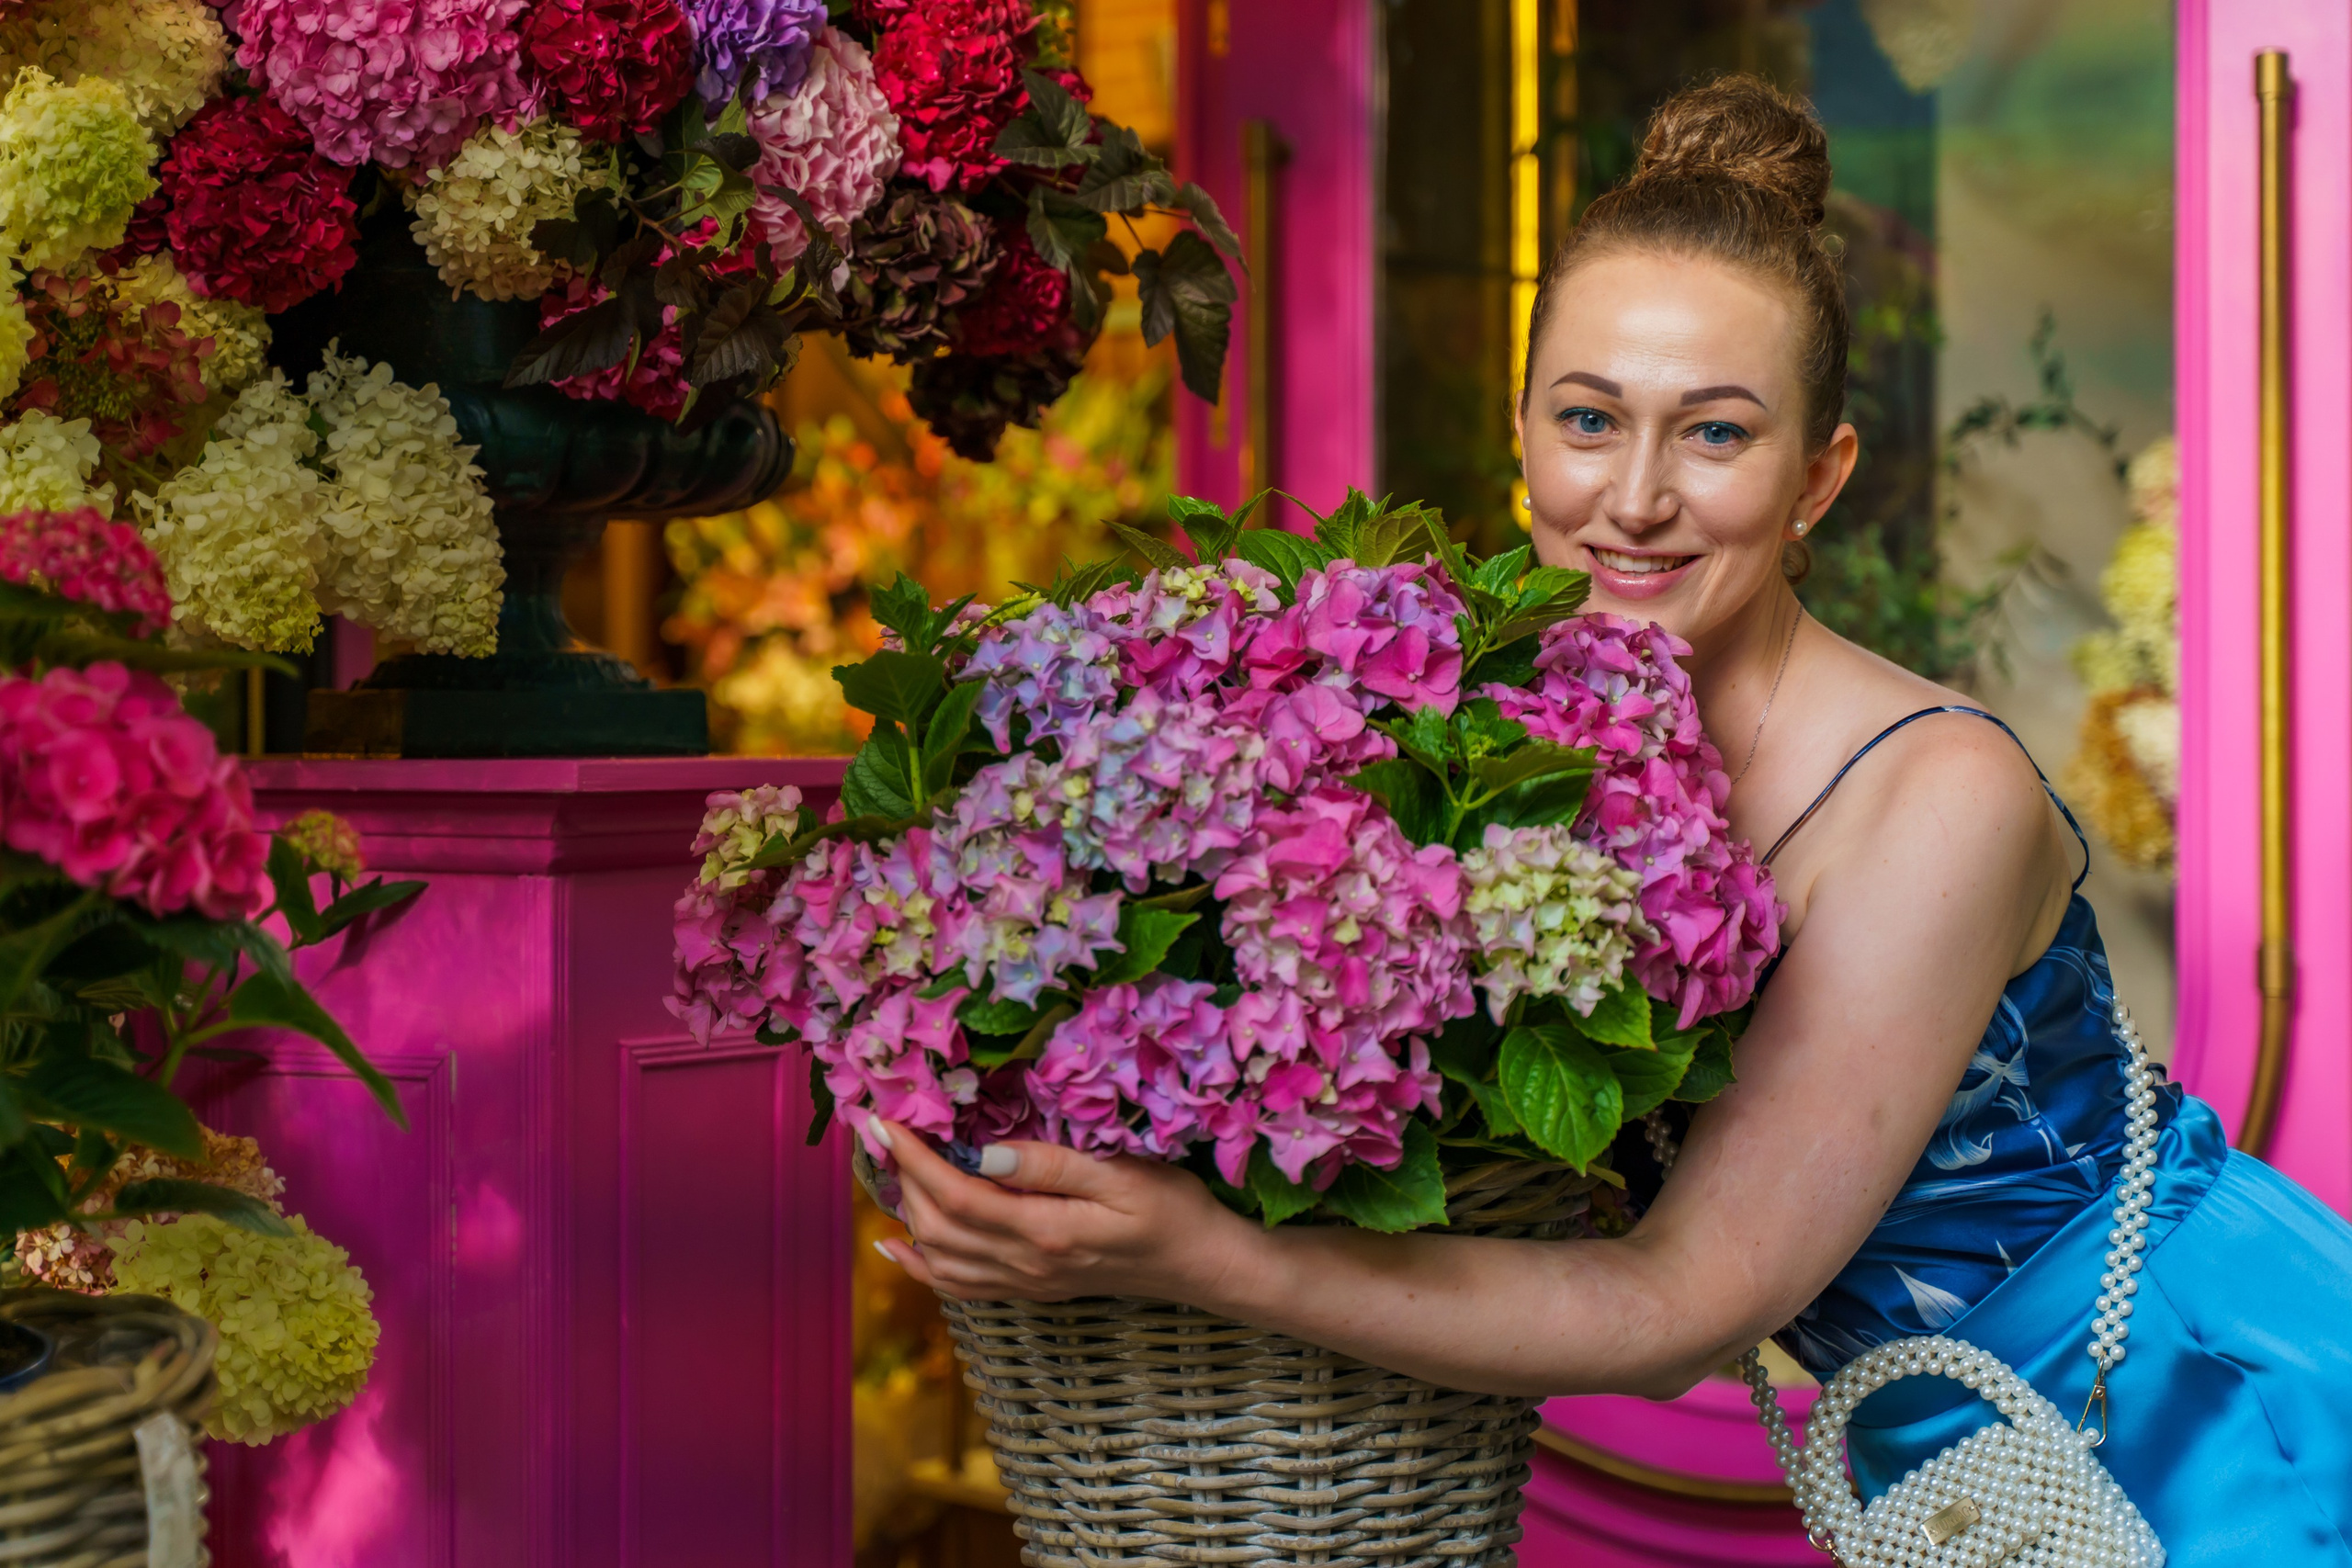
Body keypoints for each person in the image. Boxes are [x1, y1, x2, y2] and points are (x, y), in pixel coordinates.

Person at [870, 76, 2352, 1562]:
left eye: (1715, 435)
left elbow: (1678, 1310)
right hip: (1965, 1484)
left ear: (1816, 480)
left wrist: (1195, 1253)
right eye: (1589, 419)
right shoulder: (1487, 741)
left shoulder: (1934, 795)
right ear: (1522, 436)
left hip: (2210, 1424)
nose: (1633, 499)